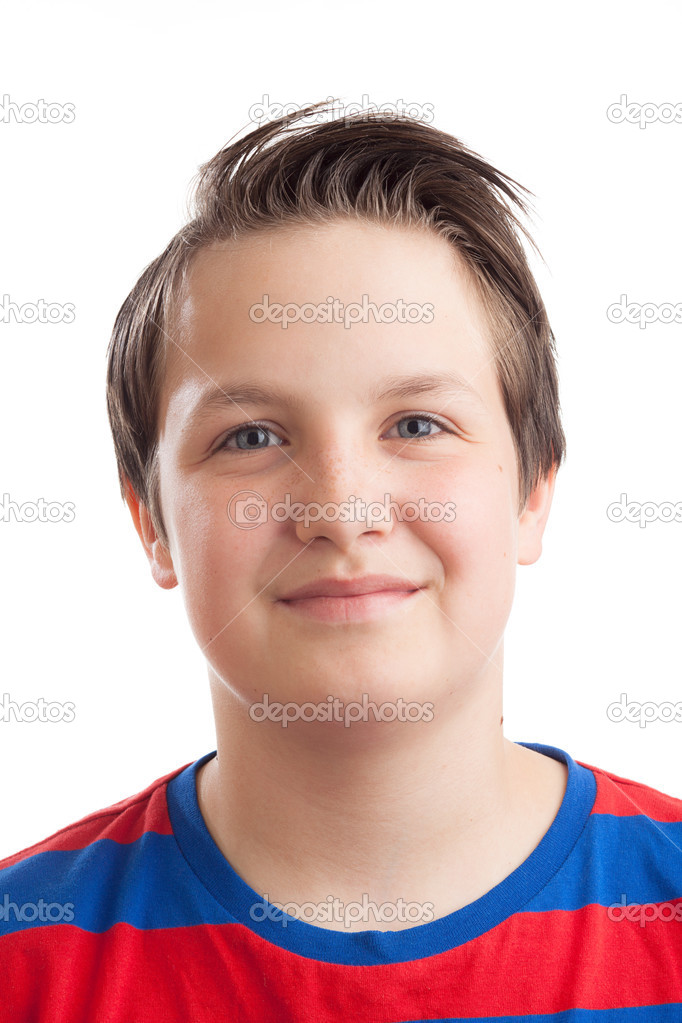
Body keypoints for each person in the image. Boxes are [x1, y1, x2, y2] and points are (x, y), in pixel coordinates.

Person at [1, 100, 680, 1021]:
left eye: (416, 424)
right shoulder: (24, 953)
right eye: (250, 435)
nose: (342, 511)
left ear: (534, 491)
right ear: (149, 520)